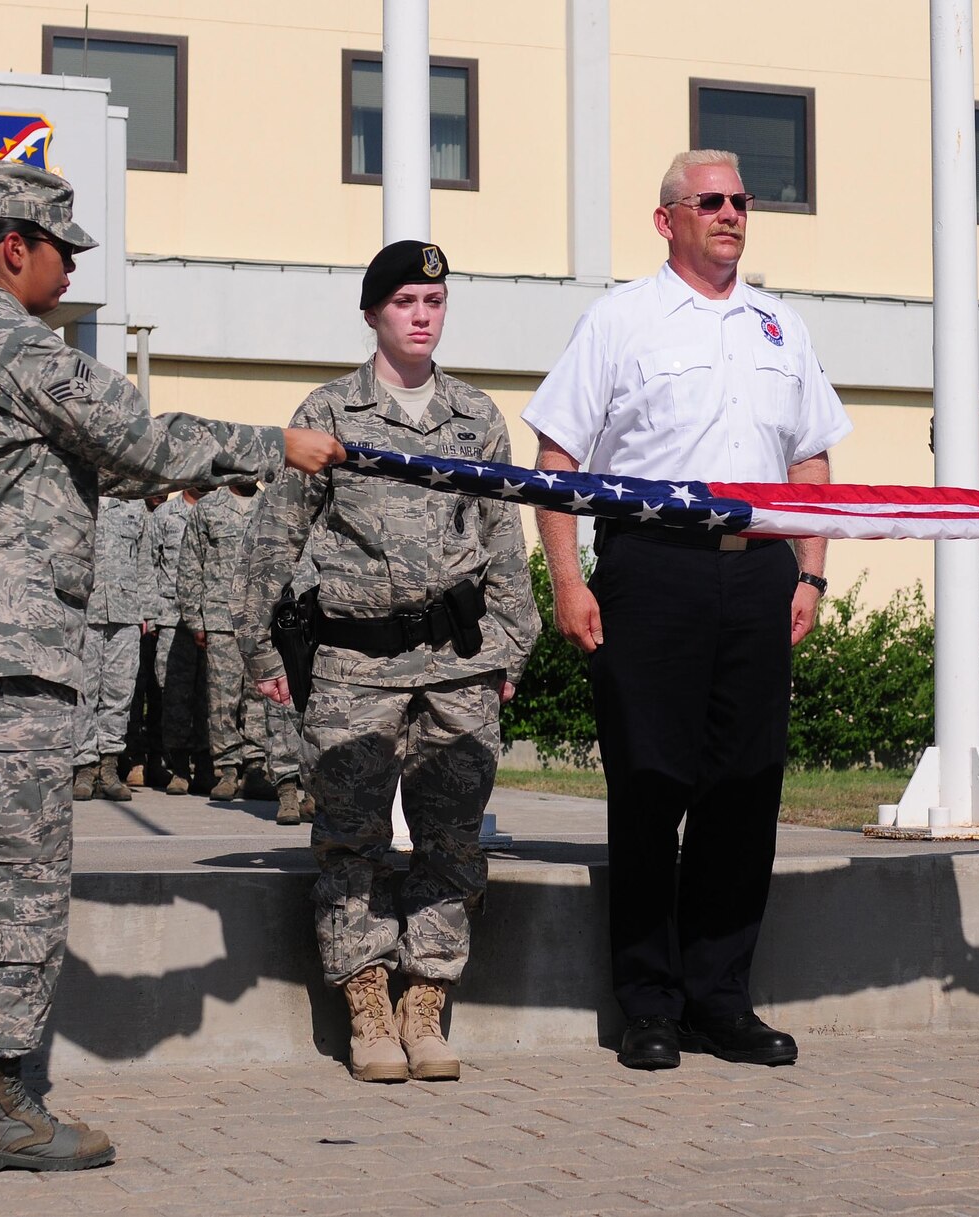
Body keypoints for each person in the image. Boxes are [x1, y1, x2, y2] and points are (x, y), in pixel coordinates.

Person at [0, 159, 341, 1172]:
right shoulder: (17, 350)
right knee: (17, 877)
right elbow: (145, 439)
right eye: (61, 250)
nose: (68, 271)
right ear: (14, 246)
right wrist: (278, 444)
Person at [524, 150, 850, 1072]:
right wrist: (567, 578)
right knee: (652, 785)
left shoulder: (781, 325)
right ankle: (649, 1004)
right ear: (667, 218)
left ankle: (721, 998)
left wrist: (810, 575)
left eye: (741, 200)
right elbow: (558, 457)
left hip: (758, 577)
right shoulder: (621, 320)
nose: (731, 213)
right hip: (652, 571)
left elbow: (811, 463)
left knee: (746, 789)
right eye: (710, 201)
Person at [239, 239, 540, 1084]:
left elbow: (501, 537)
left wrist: (514, 640)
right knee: (351, 836)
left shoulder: (476, 417)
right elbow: (277, 536)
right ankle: (366, 1000)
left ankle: (426, 999)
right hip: (354, 664)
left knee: (452, 835)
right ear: (373, 313)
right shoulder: (329, 412)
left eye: (434, 303)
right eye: (405, 301)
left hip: (455, 661)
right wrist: (258, 642)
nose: (420, 315)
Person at [179, 478, 307, 822]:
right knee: (222, 697)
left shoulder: (270, 505)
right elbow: (191, 562)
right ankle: (227, 768)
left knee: (259, 696)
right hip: (220, 616)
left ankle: (256, 765)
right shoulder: (209, 507)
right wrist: (195, 618)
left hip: (259, 620)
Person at [76, 494, 151, 802]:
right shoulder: (78, 499)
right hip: (84, 611)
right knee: (84, 692)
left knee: (119, 692)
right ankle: (83, 767)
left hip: (126, 612)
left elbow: (144, 561)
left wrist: (149, 611)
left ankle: (109, 767)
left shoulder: (135, 505)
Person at [142, 486, 205, 795]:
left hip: (213, 620)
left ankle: (207, 765)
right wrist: (150, 614)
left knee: (211, 696)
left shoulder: (216, 509)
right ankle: (177, 767)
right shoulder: (166, 515)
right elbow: (149, 565)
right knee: (173, 693)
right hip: (172, 618)